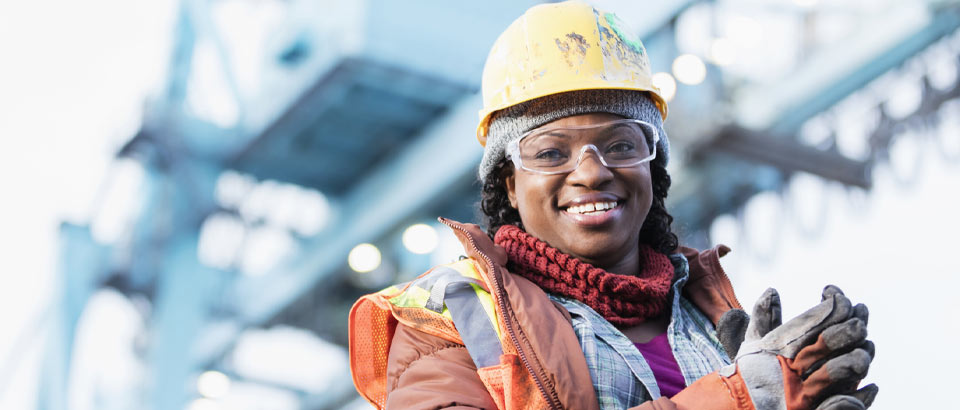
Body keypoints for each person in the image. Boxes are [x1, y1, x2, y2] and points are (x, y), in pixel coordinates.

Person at [348, 2, 877, 409]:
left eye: (622, 144)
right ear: (509, 185)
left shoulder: (706, 319)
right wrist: (737, 397)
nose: (593, 170)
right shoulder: (448, 320)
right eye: (552, 151)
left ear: (653, 166)